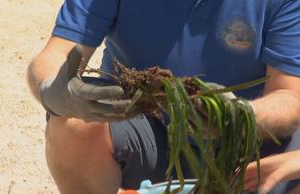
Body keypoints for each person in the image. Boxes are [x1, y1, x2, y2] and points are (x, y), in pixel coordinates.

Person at [26, 0, 300, 193]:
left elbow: (289, 96)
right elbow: (54, 55)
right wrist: (54, 92)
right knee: (72, 125)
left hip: (249, 149)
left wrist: (236, 116)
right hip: (152, 132)